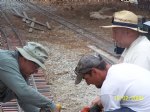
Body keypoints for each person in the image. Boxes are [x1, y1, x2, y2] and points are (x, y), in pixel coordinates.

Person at [75, 54, 150, 112]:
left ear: (94, 71)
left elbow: (110, 94)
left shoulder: (108, 87)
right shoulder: (122, 67)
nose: (88, 83)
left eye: (86, 79)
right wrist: (101, 101)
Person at [0, 42, 59, 112]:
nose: (36, 71)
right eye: (36, 66)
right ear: (25, 58)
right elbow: (23, 92)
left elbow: (25, 98)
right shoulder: (6, 61)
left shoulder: (21, 73)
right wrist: (50, 105)